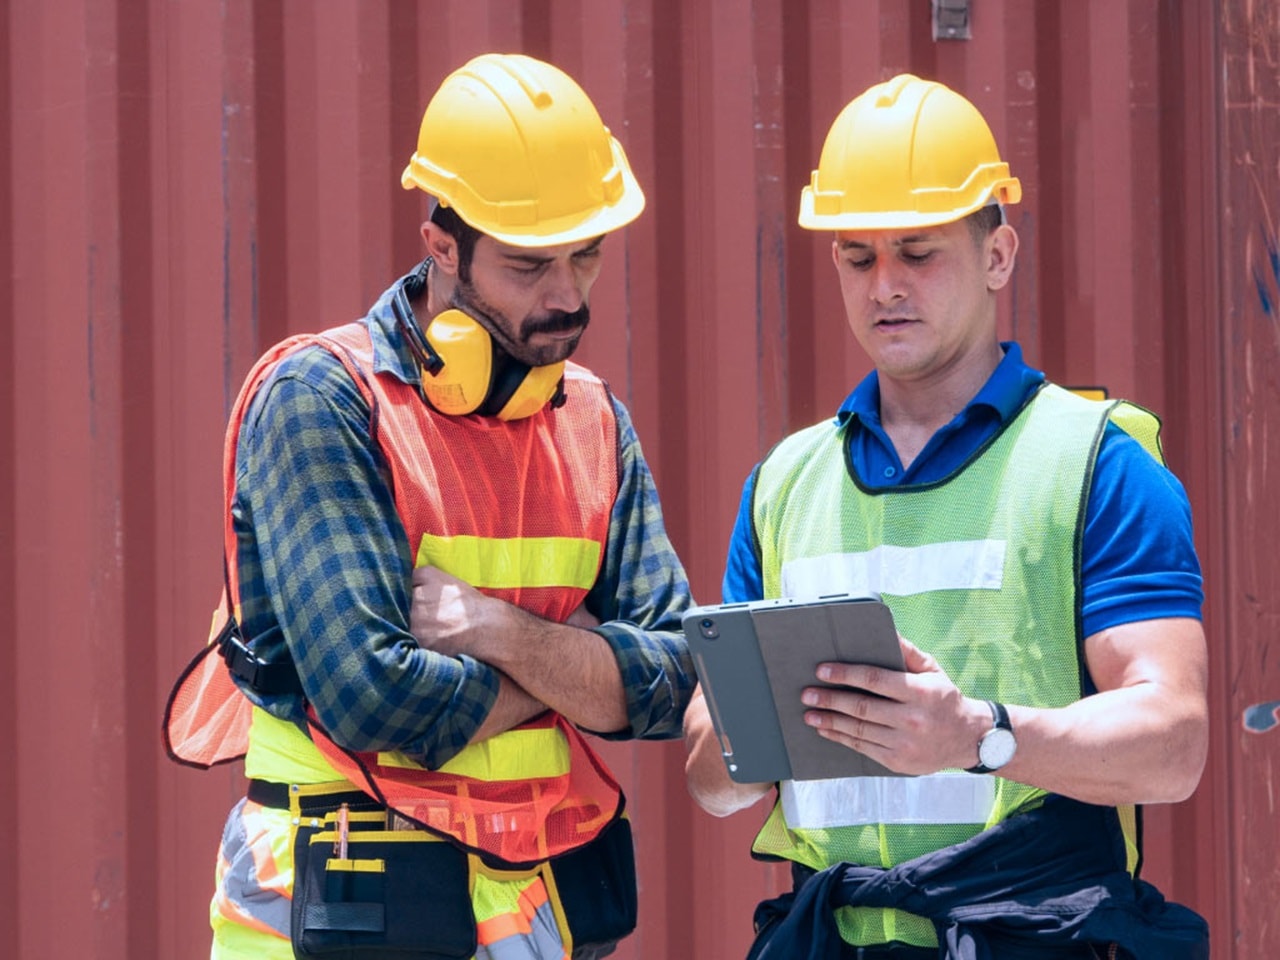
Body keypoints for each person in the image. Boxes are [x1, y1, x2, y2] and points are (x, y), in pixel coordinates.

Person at [165, 53, 695, 960]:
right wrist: (579, 678)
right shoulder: (323, 401)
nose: (568, 298)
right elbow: (375, 701)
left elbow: (681, 675)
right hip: (340, 911)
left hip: (537, 913)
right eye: (532, 265)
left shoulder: (595, 421)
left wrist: (498, 630)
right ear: (442, 245)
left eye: (588, 255)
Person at [683, 73, 1211, 959]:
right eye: (858, 256)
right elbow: (711, 781)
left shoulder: (1097, 462)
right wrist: (752, 741)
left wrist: (979, 736)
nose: (885, 284)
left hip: (1035, 936)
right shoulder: (784, 484)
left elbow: (1174, 744)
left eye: (918, 251)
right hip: (830, 938)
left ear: (998, 255)